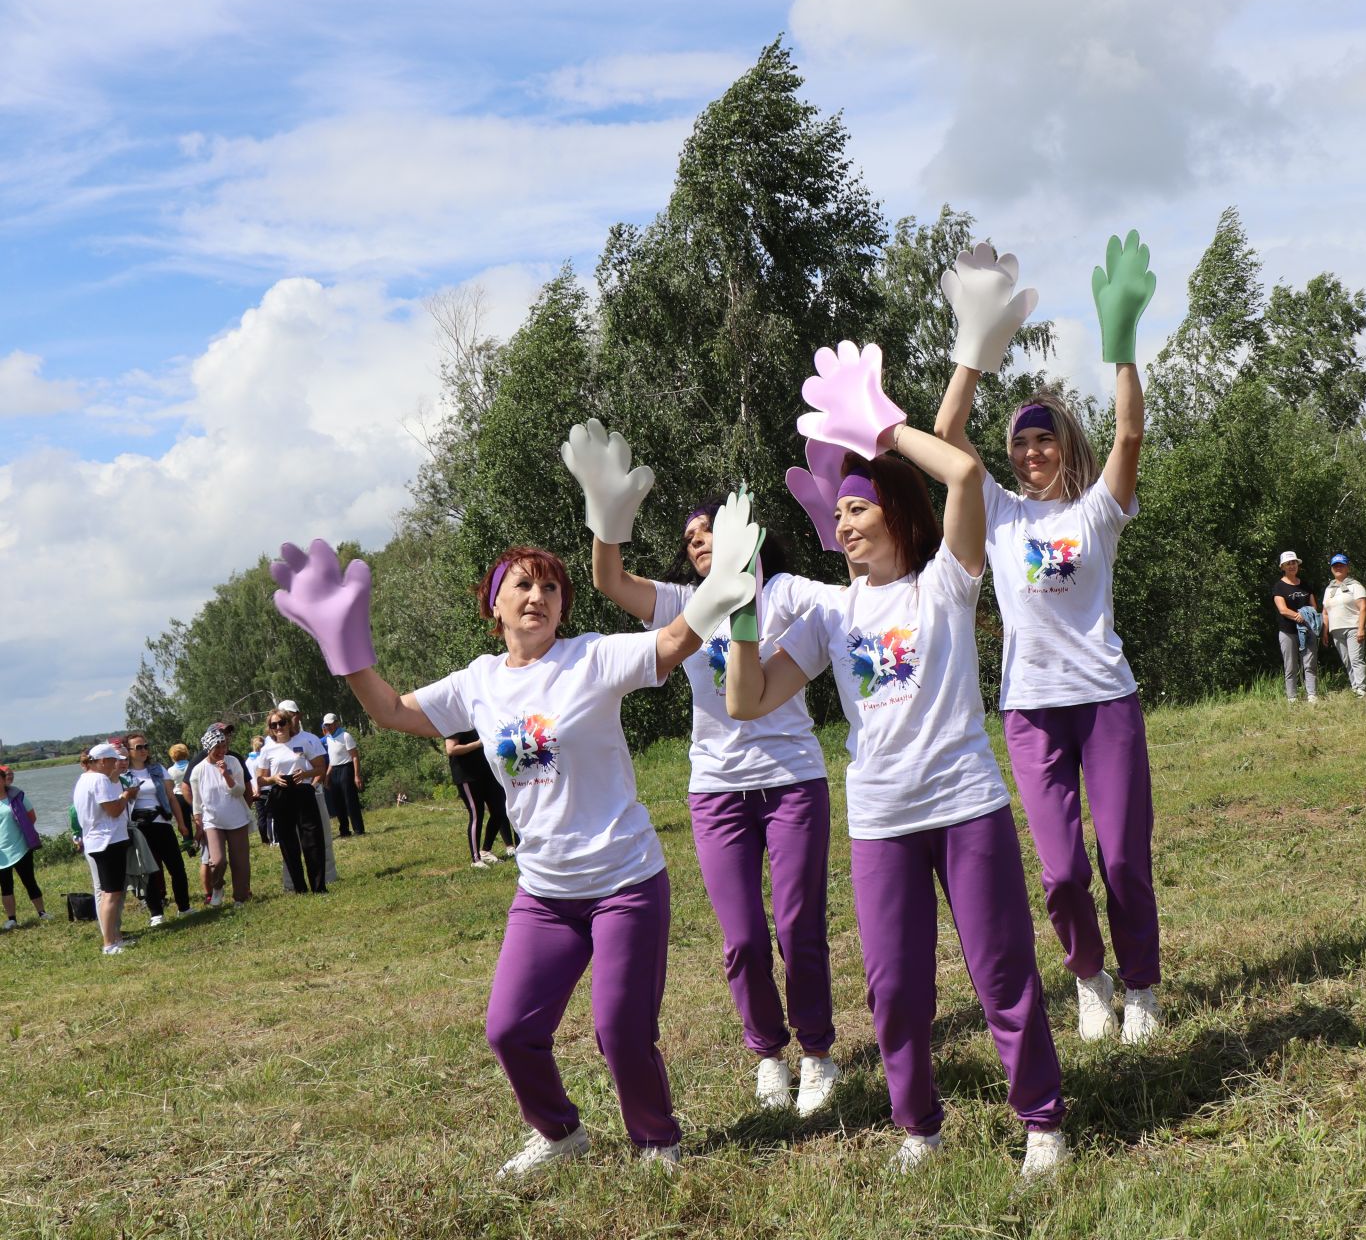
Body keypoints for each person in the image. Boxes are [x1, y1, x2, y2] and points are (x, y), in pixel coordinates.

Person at [269, 517, 758, 1178]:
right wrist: (346, 648)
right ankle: (558, 1134)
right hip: (546, 892)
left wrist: (721, 588)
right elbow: (390, 710)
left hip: (624, 880)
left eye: (552, 587)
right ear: (493, 605)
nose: (539, 595)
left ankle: (655, 1140)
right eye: (523, 584)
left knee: (620, 1032)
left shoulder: (589, 656)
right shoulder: (478, 682)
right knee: (510, 1030)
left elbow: (671, 643)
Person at [728, 345, 1068, 1177]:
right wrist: (737, 611)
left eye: (857, 508)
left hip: (964, 806)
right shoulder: (832, 612)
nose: (842, 525)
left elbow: (964, 472)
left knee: (1003, 977)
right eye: (838, 515)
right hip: (881, 822)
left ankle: (1044, 1126)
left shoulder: (946, 581)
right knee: (894, 991)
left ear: (894, 512)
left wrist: (881, 429)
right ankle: (919, 1128)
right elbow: (748, 700)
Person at [932, 236, 1162, 1048]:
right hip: (1030, 710)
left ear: (1066, 445)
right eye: (1021, 443)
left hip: (1105, 702)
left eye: (1045, 440)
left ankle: (1142, 987)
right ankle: (1089, 978)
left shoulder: (1097, 511)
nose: (1031, 454)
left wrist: (1121, 345)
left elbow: (1130, 438)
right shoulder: (996, 510)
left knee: (1125, 860)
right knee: (1062, 870)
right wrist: (974, 348)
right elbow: (945, 428)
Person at [576, 424, 843, 1115]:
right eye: (691, 536)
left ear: (744, 534)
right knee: (744, 938)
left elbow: (860, 607)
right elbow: (607, 580)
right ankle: (768, 1055)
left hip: (791, 783)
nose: (698, 540)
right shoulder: (679, 605)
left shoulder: (784, 593)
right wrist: (607, 519)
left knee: (797, 926)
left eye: (711, 530)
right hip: (717, 792)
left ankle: (816, 1052)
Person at [123, 733, 194, 926]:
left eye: (145, 746)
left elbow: (172, 798)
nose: (144, 750)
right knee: (149, 871)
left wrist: (181, 824)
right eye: (138, 747)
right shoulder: (122, 774)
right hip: (139, 827)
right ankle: (156, 912)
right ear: (128, 751)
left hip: (161, 822)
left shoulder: (157, 769)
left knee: (176, 867)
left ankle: (184, 907)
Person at [257, 710, 329, 893]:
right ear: (270, 729)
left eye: (281, 723)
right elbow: (260, 779)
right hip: (280, 793)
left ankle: (319, 886)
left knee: (312, 839)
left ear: (289, 724)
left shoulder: (303, 741)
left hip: (302, 791)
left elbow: (321, 767)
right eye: (273, 725)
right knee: (288, 843)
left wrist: (305, 774)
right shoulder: (266, 749)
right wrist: (273, 779)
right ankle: (299, 887)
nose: (278, 728)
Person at [74, 742, 132, 955]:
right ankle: (109, 943)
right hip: (108, 841)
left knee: (110, 892)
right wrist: (126, 796)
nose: (114, 765)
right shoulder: (99, 779)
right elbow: (114, 810)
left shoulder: (83, 779)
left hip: (97, 841)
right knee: (112, 894)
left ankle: (115, 938)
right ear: (101, 761)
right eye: (111, 761)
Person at [275, 702, 339, 889]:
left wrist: (313, 785)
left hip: (311, 792)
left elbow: (320, 765)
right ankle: (291, 883)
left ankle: (328, 877)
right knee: (289, 842)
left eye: (291, 715)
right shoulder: (273, 742)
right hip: (286, 799)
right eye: (283, 716)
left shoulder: (310, 738)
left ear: (298, 716)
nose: (288, 719)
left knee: (321, 837)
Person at [191, 725, 253, 905]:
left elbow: (239, 790)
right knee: (217, 861)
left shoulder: (233, 762)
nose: (221, 751)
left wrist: (226, 774)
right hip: (213, 821)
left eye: (224, 746)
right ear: (208, 748)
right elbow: (197, 802)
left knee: (240, 862)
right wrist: (198, 824)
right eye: (217, 747)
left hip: (237, 818)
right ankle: (217, 886)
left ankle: (240, 898)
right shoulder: (199, 770)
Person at [446, 730, 516, 867]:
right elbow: (451, 749)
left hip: (487, 773)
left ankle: (485, 851)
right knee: (477, 814)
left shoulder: (481, 718)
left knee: (500, 811)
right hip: (467, 775)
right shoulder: (456, 723)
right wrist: (478, 744)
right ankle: (476, 859)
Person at [0, 764, 47, 928]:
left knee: (29, 880)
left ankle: (42, 912)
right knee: (6, 886)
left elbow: (31, 817)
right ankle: (11, 918)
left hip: (21, 847)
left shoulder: (17, 796)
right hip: (1, 853)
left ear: (3, 780)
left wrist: (23, 833)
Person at [1270, 550, 1320, 703]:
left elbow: (1314, 606)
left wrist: (1308, 616)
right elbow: (1282, 610)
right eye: (1288, 563)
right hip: (1288, 631)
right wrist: (1297, 616)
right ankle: (1292, 697)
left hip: (1308, 629)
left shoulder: (1305, 585)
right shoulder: (1279, 587)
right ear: (1283, 567)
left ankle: (1312, 695)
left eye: (1294, 563)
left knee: (1309, 663)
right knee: (1290, 666)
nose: (1292, 566)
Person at [1321, 554, 1366, 697]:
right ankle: (1355, 687)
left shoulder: (1355, 585)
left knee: (1356, 659)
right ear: (1331, 569)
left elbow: (1363, 608)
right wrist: (1324, 632)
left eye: (1341, 565)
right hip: (1335, 630)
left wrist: (1361, 628)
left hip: (1353, 627)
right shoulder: (1329, 589)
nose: (1338, 568)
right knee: (1346, 660)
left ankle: (1362, 688)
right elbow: (1325, 612)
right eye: (1335, 566)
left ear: (1347, 567)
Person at [320, 713, 365, 837]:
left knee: (350, 800)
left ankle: (358, 829)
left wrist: (356, 775)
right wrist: (327, 776)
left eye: (330, 724)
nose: (328, 727)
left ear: (336, 723)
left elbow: (355, 756)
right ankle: (344, 831)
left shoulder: (345, 736)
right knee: (337, 801)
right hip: (334, 770)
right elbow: (332, 759)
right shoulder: (329, 738)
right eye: (326, 725)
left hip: (346, 768)